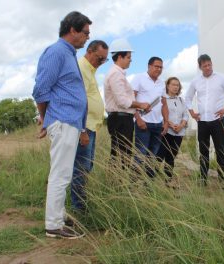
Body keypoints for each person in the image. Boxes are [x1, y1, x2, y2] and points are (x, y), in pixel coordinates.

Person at [32, 11, 91, 239]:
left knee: (63, 172)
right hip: (63, 121)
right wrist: (47, 118)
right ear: (73, 30)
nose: (87, 37)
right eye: (85, 33)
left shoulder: (68, 54)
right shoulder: (56, 52)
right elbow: (40, 90)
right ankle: (54, 225)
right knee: (61, 174)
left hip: (70, 122)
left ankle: (58, 216)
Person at [70, 40, 108, 212]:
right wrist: (82, 130)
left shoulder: (91, 71)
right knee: (81, 168)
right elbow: (78, 102)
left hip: (92, 127)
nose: (101, 63)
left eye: (104, 60)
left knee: (87, 167)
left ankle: (81, 203)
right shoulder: (81, 68)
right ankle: (79, 207)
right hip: (84, 127)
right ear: (89, 51)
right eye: (100, 58)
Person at [185, 54, 224, 185]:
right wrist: (192, 114)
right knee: (203, 151)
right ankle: (202, 178)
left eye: (209, 64)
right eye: (205, 66)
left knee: (220, 151)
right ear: (200, 67)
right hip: (202, 122)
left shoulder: (221, 78)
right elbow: (187, 98)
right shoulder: (195, 81)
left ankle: (223, 180)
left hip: (218, 121)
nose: (208, 67)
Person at [104, 38, 150, 167]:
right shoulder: (115, 74)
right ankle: (118, 185)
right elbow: (122, 101)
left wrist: (139, 108)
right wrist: (140, 105)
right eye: (129, 57)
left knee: (121, 155)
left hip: (122, 119)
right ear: (120, 57)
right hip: (120, 120)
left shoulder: (118, 74)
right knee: (122, 156)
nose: (131, 59)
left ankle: (118, 184)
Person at [131, 57, 169, 177]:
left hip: (158, 124)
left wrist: (166, 122)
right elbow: (131, 100)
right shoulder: (139, 78)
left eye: (161, 67)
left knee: (153, 156)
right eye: (156, 66)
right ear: (149, 66)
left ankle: (149, 188)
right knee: (140, 155)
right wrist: (138, 119)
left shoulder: (162, 83)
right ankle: (134, 185)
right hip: (143, 123)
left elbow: (164, 104)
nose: (158, 69)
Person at [157, 77, 189, 182]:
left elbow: (185, 115)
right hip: (167, 131)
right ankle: (152, 179)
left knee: (171, 157)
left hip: (179, 133)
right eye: (173, 84)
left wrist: (181, 125)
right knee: (160, 156)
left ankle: (168, 180)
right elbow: (160, 114)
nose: (176, 87)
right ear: (167, 86)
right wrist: (170, 124)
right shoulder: (163, 99)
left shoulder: (181, 100)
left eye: (177, 85)